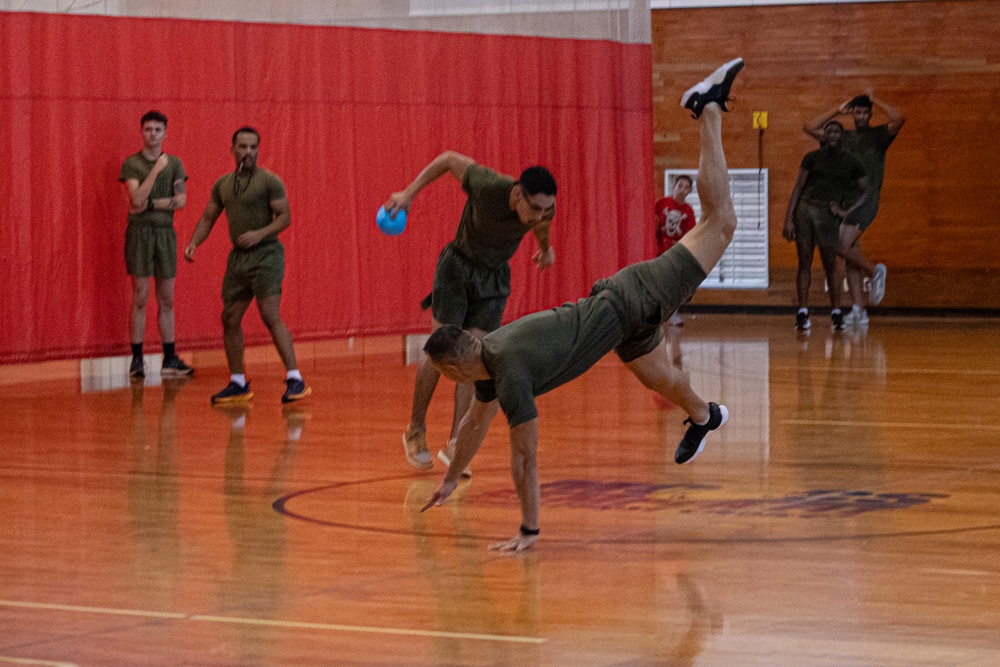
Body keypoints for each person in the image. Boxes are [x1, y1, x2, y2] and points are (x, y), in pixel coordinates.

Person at [419, 58, 745, 552]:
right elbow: (469, 426)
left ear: (453, 369)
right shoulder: (487, 364)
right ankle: (705, 418)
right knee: (660, 376)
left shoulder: (507, 373)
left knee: (719, 223)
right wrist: (450, 480)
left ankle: (709, 109)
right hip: (621, 323)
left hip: (634, 295)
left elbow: (525, 460)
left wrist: (528, 531)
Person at [384, 153, 557, 475]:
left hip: (493, 278)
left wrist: (545, 248)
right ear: (518, 194)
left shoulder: (542, 209)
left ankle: (455, 442)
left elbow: (543, 224)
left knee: (473, 358)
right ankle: (415, 430)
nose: (539, 215)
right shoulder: (489, 185)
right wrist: (408, 193)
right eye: (534, 208)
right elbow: (448, 159)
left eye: (546, 208)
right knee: (440, 352)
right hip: (457, 269)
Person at [184, 127, 310, 405]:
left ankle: (295, 378)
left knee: (269, 313)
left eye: (253, 147)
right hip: (238, 258)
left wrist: (260, 233)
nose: (248, 152)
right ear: (232, 149)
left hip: (266, 255)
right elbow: (208, 217)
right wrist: (194, 243)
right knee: (230, 317)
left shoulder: (269, 181)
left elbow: (285, 217)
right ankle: (238, 383)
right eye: (243, 147)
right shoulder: (223, 184)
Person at [804, 91, 904, 325]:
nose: (860, 116)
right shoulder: (841, 137)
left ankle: (875, 271)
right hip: (844, 203)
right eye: (857, 112)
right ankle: (859, 311)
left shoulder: (879, 136)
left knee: (839, 244)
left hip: (866, 200)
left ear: (869, 114)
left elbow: (899, 119)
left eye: (864, 112)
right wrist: (839, 109)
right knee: (850, 252)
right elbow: (809, 127)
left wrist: (875, 100)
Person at [119, 110, 194, 380]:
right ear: (142, 132)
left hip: (164, 233)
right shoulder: (132, 164)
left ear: (165, 133)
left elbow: (181, 201)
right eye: (148, 129)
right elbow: (135, 201)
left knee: (167, 298)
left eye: (157, 130)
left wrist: (152, 203)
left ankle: (170, 357)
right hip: (139, 234)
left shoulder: (175, 163)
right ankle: (137, 359)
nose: (152, 134)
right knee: (140, 296)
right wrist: (156, 171)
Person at [782, 121, 869, 332]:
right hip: (805, 211)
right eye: (828, 131)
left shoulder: (852, 161)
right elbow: (798, 187)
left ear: (841, 136)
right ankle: (802, 312)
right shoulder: (812, 158)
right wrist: (788, 219)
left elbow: (866, 191)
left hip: (828, 216)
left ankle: (836, 313)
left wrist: (845, 211)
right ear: (823, 136)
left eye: (836, 132)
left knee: (830, 264)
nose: (832, 135)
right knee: (804, 262)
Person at [655, 175, 697, 326]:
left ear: (690, 191)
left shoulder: (688, 211)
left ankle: (673, 313)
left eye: (686, 187)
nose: (682, 190)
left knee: (676, 287)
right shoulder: (661, 203)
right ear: (674, 186)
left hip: (676, 255)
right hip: (659, 253)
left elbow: (690, 235)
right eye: (680, 186)